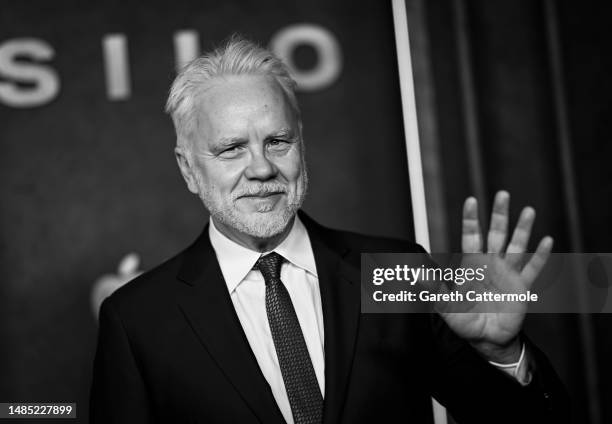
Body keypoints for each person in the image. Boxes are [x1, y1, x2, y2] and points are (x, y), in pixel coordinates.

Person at [90, 36, 568, 424]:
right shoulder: (137, 320)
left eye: (278, 141)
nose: (261, 168)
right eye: (232, 148)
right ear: (189, 169)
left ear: (302, 144)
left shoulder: (398, 273)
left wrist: (501, 351)